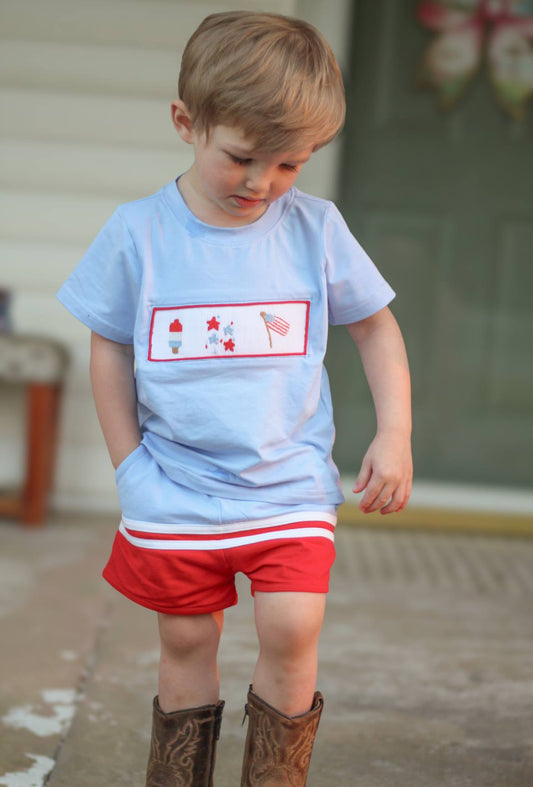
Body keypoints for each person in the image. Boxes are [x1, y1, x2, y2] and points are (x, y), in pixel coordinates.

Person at [57, 10, 412, 786]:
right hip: (174, 485)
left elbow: (375, 328)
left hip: (284, 481)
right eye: (244, 157)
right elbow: (109, 346)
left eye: (290, 164)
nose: (263, 184)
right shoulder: (138, 233)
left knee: (293, 623)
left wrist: (395, 433)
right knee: (186, 639)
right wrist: (128, 466)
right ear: (188, 123)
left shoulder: (314, 229)